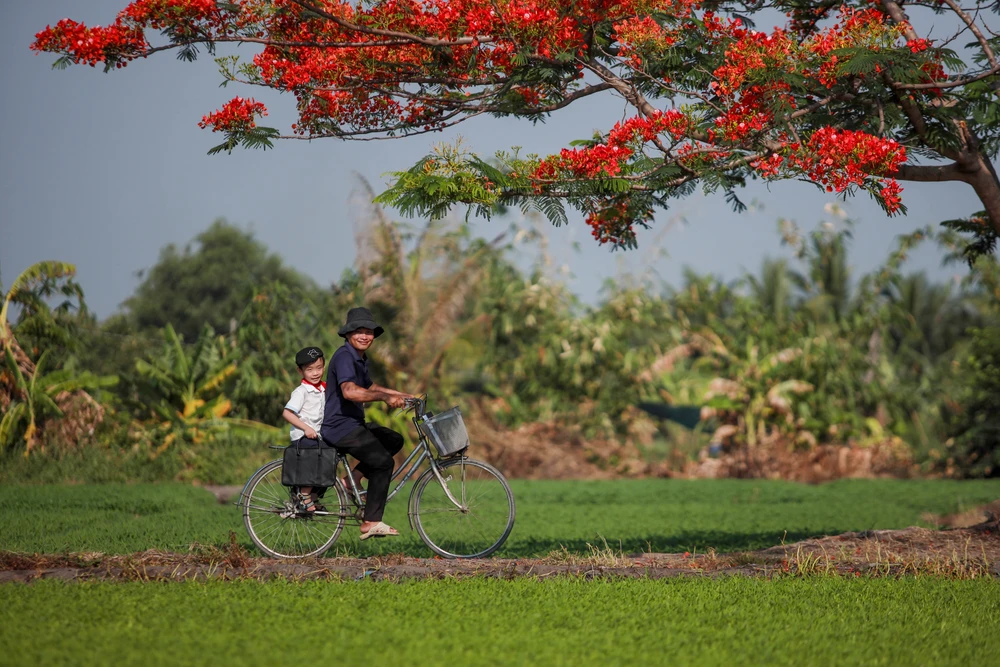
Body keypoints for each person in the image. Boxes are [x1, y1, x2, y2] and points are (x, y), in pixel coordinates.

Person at [321, 307, 414, 540]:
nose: (364, 336)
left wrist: (404, 395)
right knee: (383, 462)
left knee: (393, 439)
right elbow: (350, 392)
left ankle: (349, 481)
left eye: (369, 331)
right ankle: (371, 522)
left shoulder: (359, 358)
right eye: (359, 331)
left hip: (353, 423)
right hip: (340, 427)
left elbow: (370, 387)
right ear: (348, 334)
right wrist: (385, 398)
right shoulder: (344, 357)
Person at [281, 346, 326, 513]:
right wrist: (306, 428)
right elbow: (287, 413)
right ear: (300, 371)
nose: (315, 373)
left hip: (318, 436)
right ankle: (304, 494)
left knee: (330, 458)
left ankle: (313, 496)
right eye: (310, 369)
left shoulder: (322, 389)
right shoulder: (301, 392)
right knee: (315, 457)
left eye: (319, 368)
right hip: (303, 437)